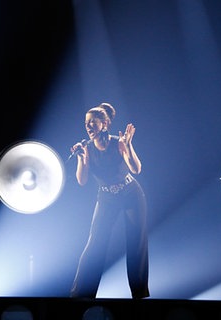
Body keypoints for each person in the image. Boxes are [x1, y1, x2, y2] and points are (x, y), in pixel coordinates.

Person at [69, 102, 149, 299]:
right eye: (86, 123)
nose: (88, 127)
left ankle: (139, 294)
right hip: (106, 197)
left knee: (136, 243)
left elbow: (136, 169)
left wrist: (128, 145)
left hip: (130, 193)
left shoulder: (118, 142)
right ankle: (81, 294)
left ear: (104, 124)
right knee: (95, 243)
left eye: (92, 123)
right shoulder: (86, 148)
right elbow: (82, 181)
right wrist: (80, 159)